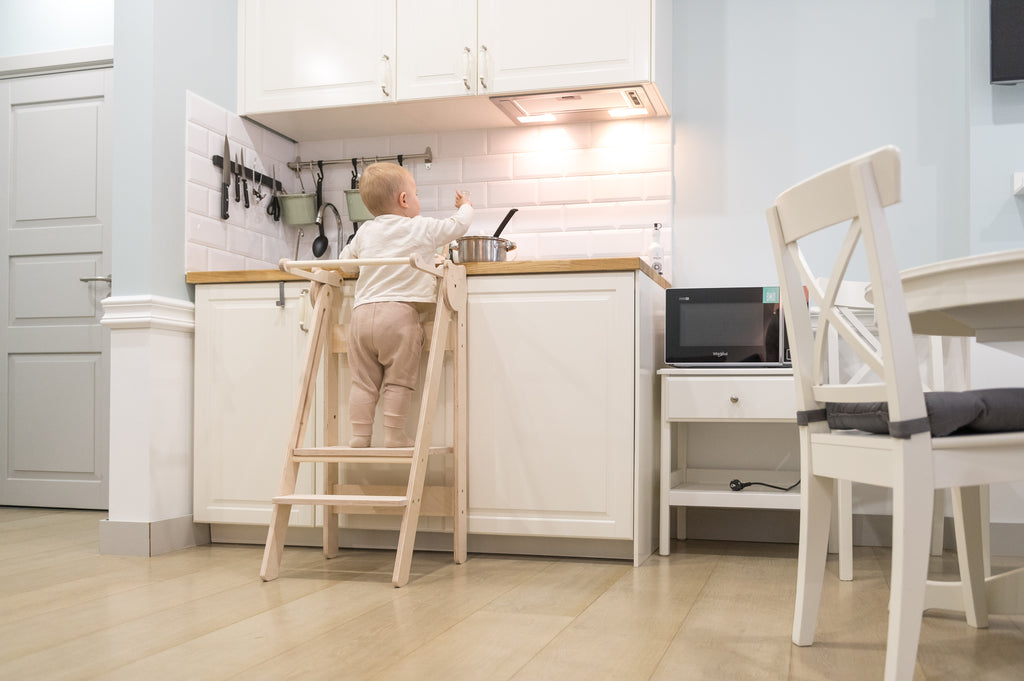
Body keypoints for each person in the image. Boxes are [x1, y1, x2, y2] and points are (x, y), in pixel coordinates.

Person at [339, 162, 473, 447]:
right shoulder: (419, 227)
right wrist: (465, 205)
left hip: (361, 316)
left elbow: (345, 263)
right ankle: (393, 435)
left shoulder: (364, 232)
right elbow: (457, 226)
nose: (417, 200)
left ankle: (360, 436)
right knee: (398, 380)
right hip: (398, 317)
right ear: (403, 200)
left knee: (362, 382)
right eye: (416, 194)